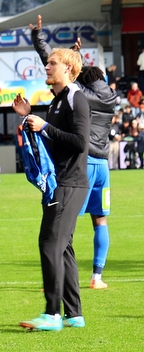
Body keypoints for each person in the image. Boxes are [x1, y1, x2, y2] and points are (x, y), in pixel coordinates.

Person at [31, 15, 118, 290]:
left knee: (65, 227)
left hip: (82, 163)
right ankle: (97, 276)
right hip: (103, 165)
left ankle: (58, 281)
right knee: (100, 219)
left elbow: (67, 79)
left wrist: (43, 42)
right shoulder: (110, 99)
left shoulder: (80, 95)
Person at [12, 47, 90, 331]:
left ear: (68, 68)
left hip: (69, 182)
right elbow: (53, 141)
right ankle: (74, 314)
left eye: (52, 63)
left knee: (49, 243)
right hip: (60, 182)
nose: (46, 67)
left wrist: (44, 126)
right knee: (63, 246)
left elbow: (80, 142)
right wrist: (28, 117)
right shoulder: (58, 100)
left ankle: (52, 314)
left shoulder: (75, 97)